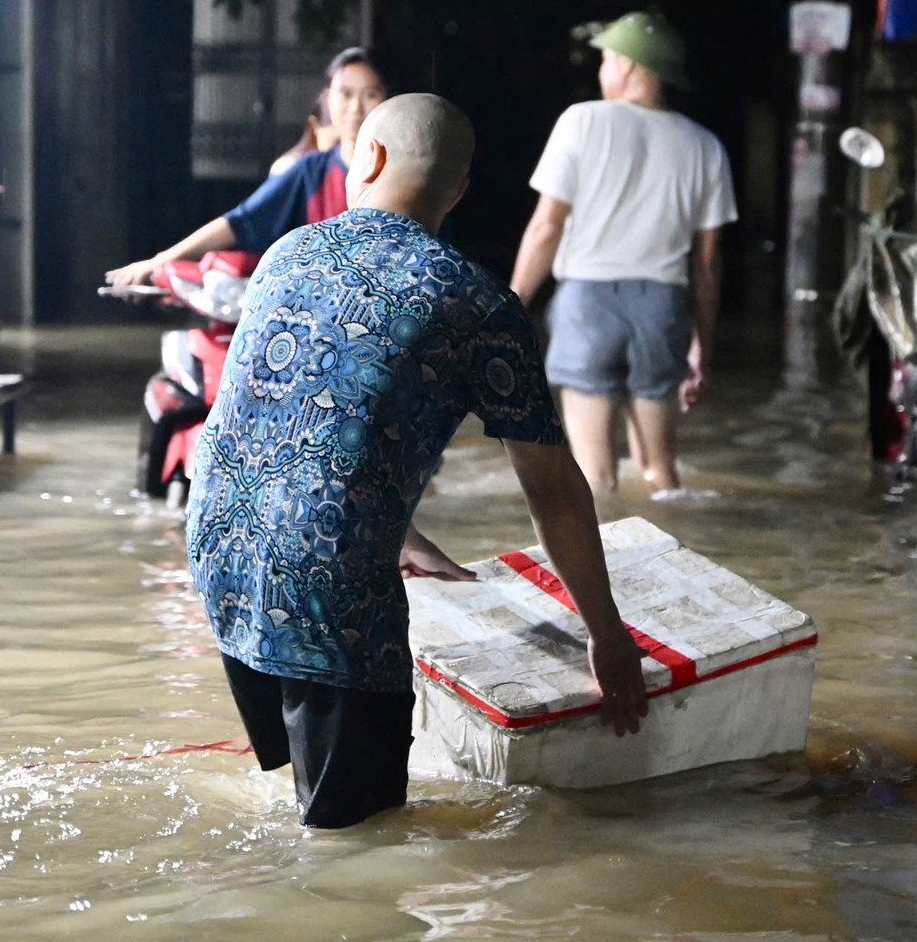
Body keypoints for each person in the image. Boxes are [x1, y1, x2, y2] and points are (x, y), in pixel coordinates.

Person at [187, 93, 650, 830]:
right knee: (356, 851)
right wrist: (608, 634)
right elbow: (555, 490)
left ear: (367, 159)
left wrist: (396, 535)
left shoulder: (287, 254)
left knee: (300, 806)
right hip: (328, 587)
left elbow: (281, 422)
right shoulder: (479, 305)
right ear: (459, 191)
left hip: (219, 554)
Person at [511, 11, 736, 499]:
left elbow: (547, 225)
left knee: (594, 476)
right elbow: (706, 264)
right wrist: (703, 343)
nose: (601, 72)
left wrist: (513, 302)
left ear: (629, 65)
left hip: (588, 305)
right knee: (661, 472)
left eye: (606, 60)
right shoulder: (706, 147)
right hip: (663, 309)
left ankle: (608, 573)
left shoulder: (581, 121)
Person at [105, 47, 387, 288]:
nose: (356, 107)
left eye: (370, 94)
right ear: (327, 98)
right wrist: (160, 261)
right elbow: (240, 221)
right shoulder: (309, 172)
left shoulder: (398, 172)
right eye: (345, 94)